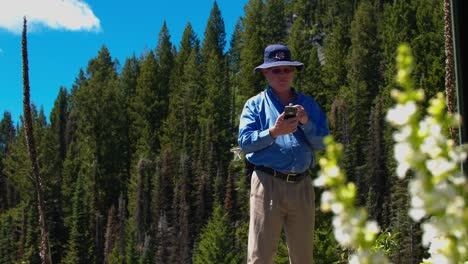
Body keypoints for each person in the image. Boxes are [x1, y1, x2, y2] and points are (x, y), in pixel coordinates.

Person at [238, 44, 329, 264]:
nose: (282, 74)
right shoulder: (255, 105)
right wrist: (274, 132)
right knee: (260, 256)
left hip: (302, 185)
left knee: (303, 257)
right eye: (276, 69)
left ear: (293, 72)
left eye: (287, 69)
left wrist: (306, 122)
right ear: (265, 73)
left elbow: (324, 143)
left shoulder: (308, 105)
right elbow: (245, 143)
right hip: (267, 182)